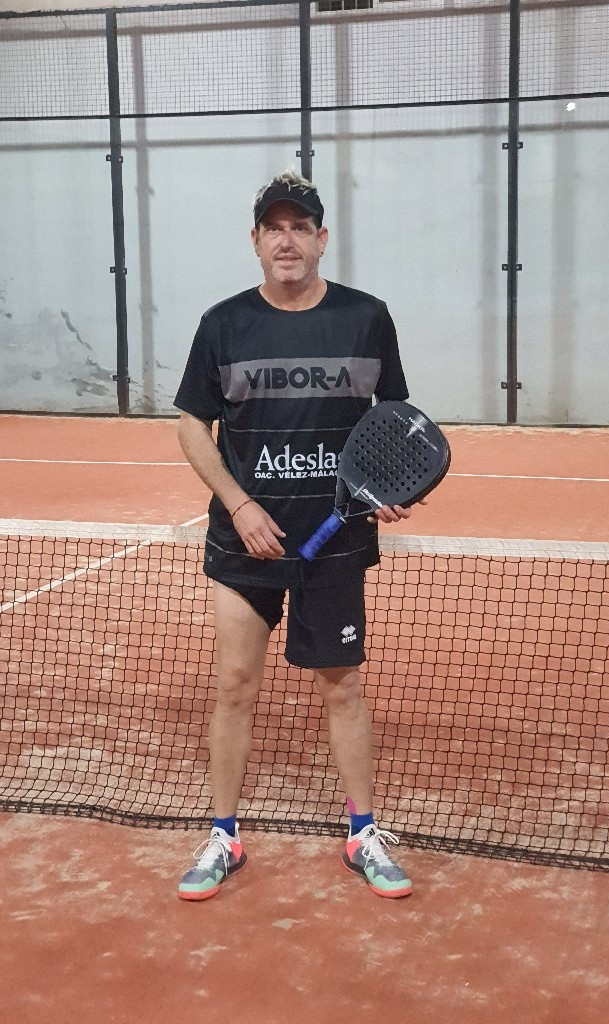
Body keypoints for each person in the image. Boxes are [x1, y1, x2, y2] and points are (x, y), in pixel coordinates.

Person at [174, 170, 417, 901]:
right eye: (274, 228)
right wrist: (239, 504)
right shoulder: (223, 324)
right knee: (234, 685)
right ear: (255, 241)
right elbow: (192, 425)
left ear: (321, 238)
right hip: (245, 542)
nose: (287, 240)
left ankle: (363, 833)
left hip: (335, 541)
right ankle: (223, 835)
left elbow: (395, 418)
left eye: (299, 226)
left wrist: (388, 484)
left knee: (343, 688)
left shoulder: (366, 317)